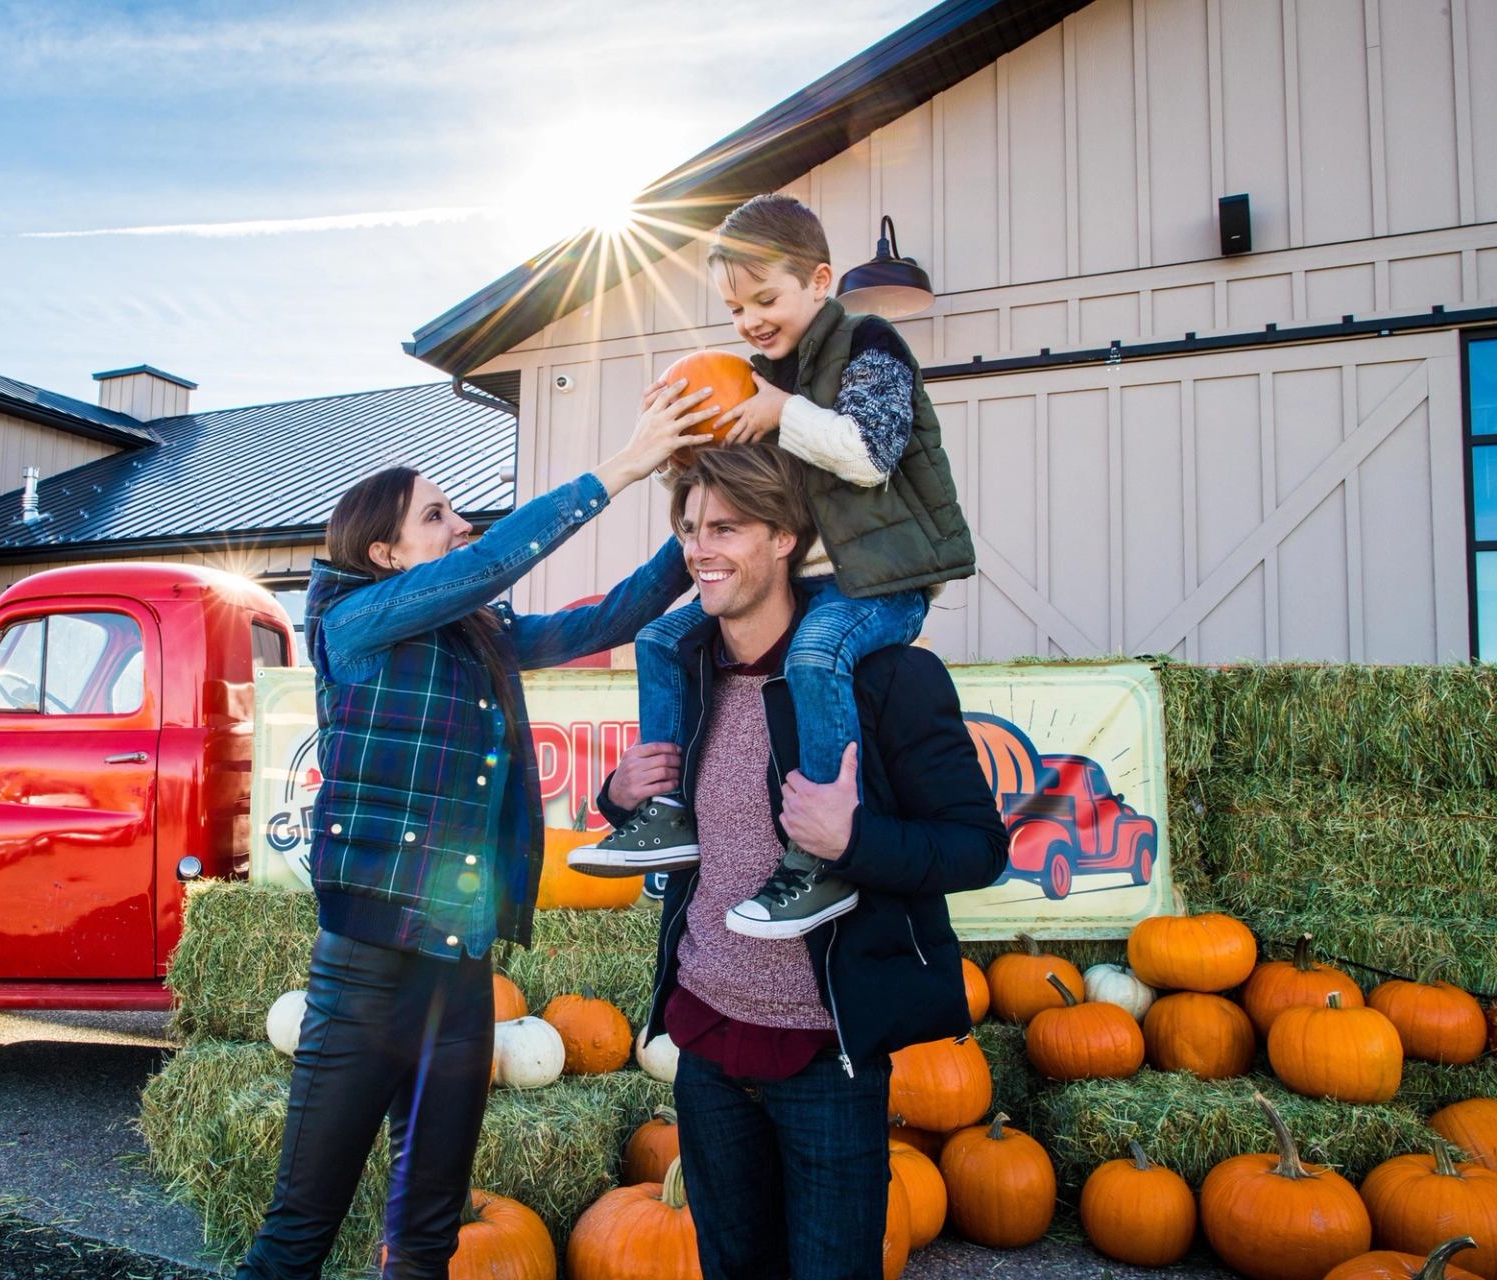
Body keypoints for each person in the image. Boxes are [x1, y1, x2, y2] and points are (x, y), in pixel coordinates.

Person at [233, 380, 719, 1280]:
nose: (458, 526)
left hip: (458, 961)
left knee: (428, 1231)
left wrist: (690, 531)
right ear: (383, 551)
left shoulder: (473, 631)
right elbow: (488, 563)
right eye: (437, 515)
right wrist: (622, 465)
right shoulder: (355, 619)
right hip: (369, 962)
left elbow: (597, 621)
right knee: (298, 1229)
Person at [597, 442, 1007, 1280]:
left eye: (726, 527)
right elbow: (687, 835)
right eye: (688, 528)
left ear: (785, 536)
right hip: (707, 1053)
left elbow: (978, 847)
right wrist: (619, 796)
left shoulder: (888, 678)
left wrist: (853, 842)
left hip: (827, 1059)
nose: (699, 548)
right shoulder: (688, 675)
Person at [571, 193, 977, 943]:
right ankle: (667, 812)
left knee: (819, 655)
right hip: (799, 582)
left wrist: (775, 408)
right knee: (660, 641)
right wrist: (679, 439)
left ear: (820, 282)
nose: (752, 318)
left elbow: (868, 450)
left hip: (880, 582)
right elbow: (732, 495)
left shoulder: (869, 343)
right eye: (735, 308)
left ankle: (821, 851)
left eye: (767, 297)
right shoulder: (758, 376)